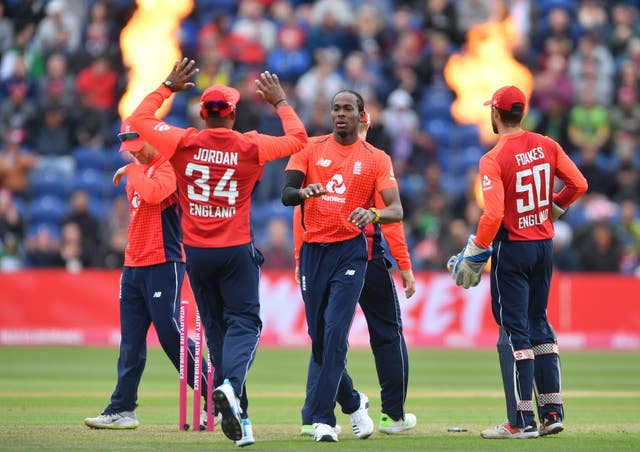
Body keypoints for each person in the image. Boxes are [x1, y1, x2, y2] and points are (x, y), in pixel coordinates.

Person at [127, 58, 308, 447]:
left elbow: (138, 119)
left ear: (202, 113)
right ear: (232, 113)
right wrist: (280, 102)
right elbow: (299, 140)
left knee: (216, 332)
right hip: (235, 249)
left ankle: (240, 421)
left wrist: (167, 86)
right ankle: (229, 386)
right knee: (246, 323)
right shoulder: (250, 145)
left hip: (195, 253)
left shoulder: (182, 141)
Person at [448, 85, 588, 439]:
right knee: (540, 324)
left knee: (514, 332)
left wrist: (476, 252)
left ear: (495, 114)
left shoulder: (492, 159)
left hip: (512, 249)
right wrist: (551, 210)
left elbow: (493, 213)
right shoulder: (547, 144)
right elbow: (578, 184)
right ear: (521, 113)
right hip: (543, 246)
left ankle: (521, 421)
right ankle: (552, 412)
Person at [281, 89, 403, 442]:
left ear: (361, 115)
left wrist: (374, 213)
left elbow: (397, 209)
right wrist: (304, 193)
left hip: (350, 252)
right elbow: (286, 194)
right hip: (314, 252)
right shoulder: (310, 148)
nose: (340, 114)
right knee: (318, 338)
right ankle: (353, 401)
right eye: (336, 108)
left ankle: (322, 419)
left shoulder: (376, 158)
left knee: (335, 333)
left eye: (348, 108)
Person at [84, 118, 209, 430]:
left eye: (139, 149)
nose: (134, 155)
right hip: (134, 265)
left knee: (170, 335)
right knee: (130, 342)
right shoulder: (137, 172)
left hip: (163, 262)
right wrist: (134, 170)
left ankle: (216, 393)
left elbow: (154, 195)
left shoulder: (169, 168)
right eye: (130, 151)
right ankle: (123, 408)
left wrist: (131, 170)